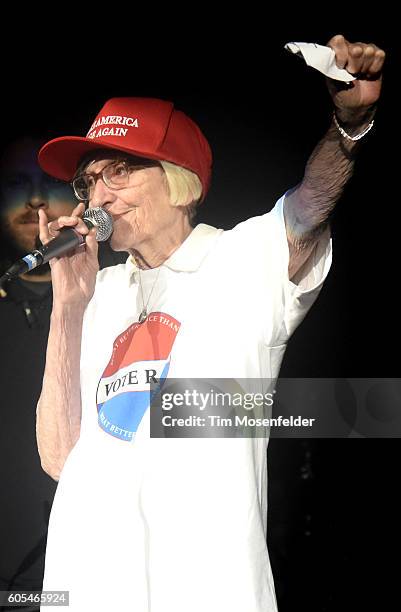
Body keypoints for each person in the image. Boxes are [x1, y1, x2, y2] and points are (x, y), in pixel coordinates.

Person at [35, 35, 384, 612]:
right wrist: (68, 308)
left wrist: (350, 125)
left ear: (178, 181)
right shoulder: (100, 292)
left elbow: (312, 202)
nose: (99, 195)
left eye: (119, 171)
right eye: (88, 181)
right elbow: (59, 459)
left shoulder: (242, 260)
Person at [0, 138, 78, 602]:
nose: (34, 198)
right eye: (16, 183)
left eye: (50, 183)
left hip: (88, 575)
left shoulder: (119, 298)